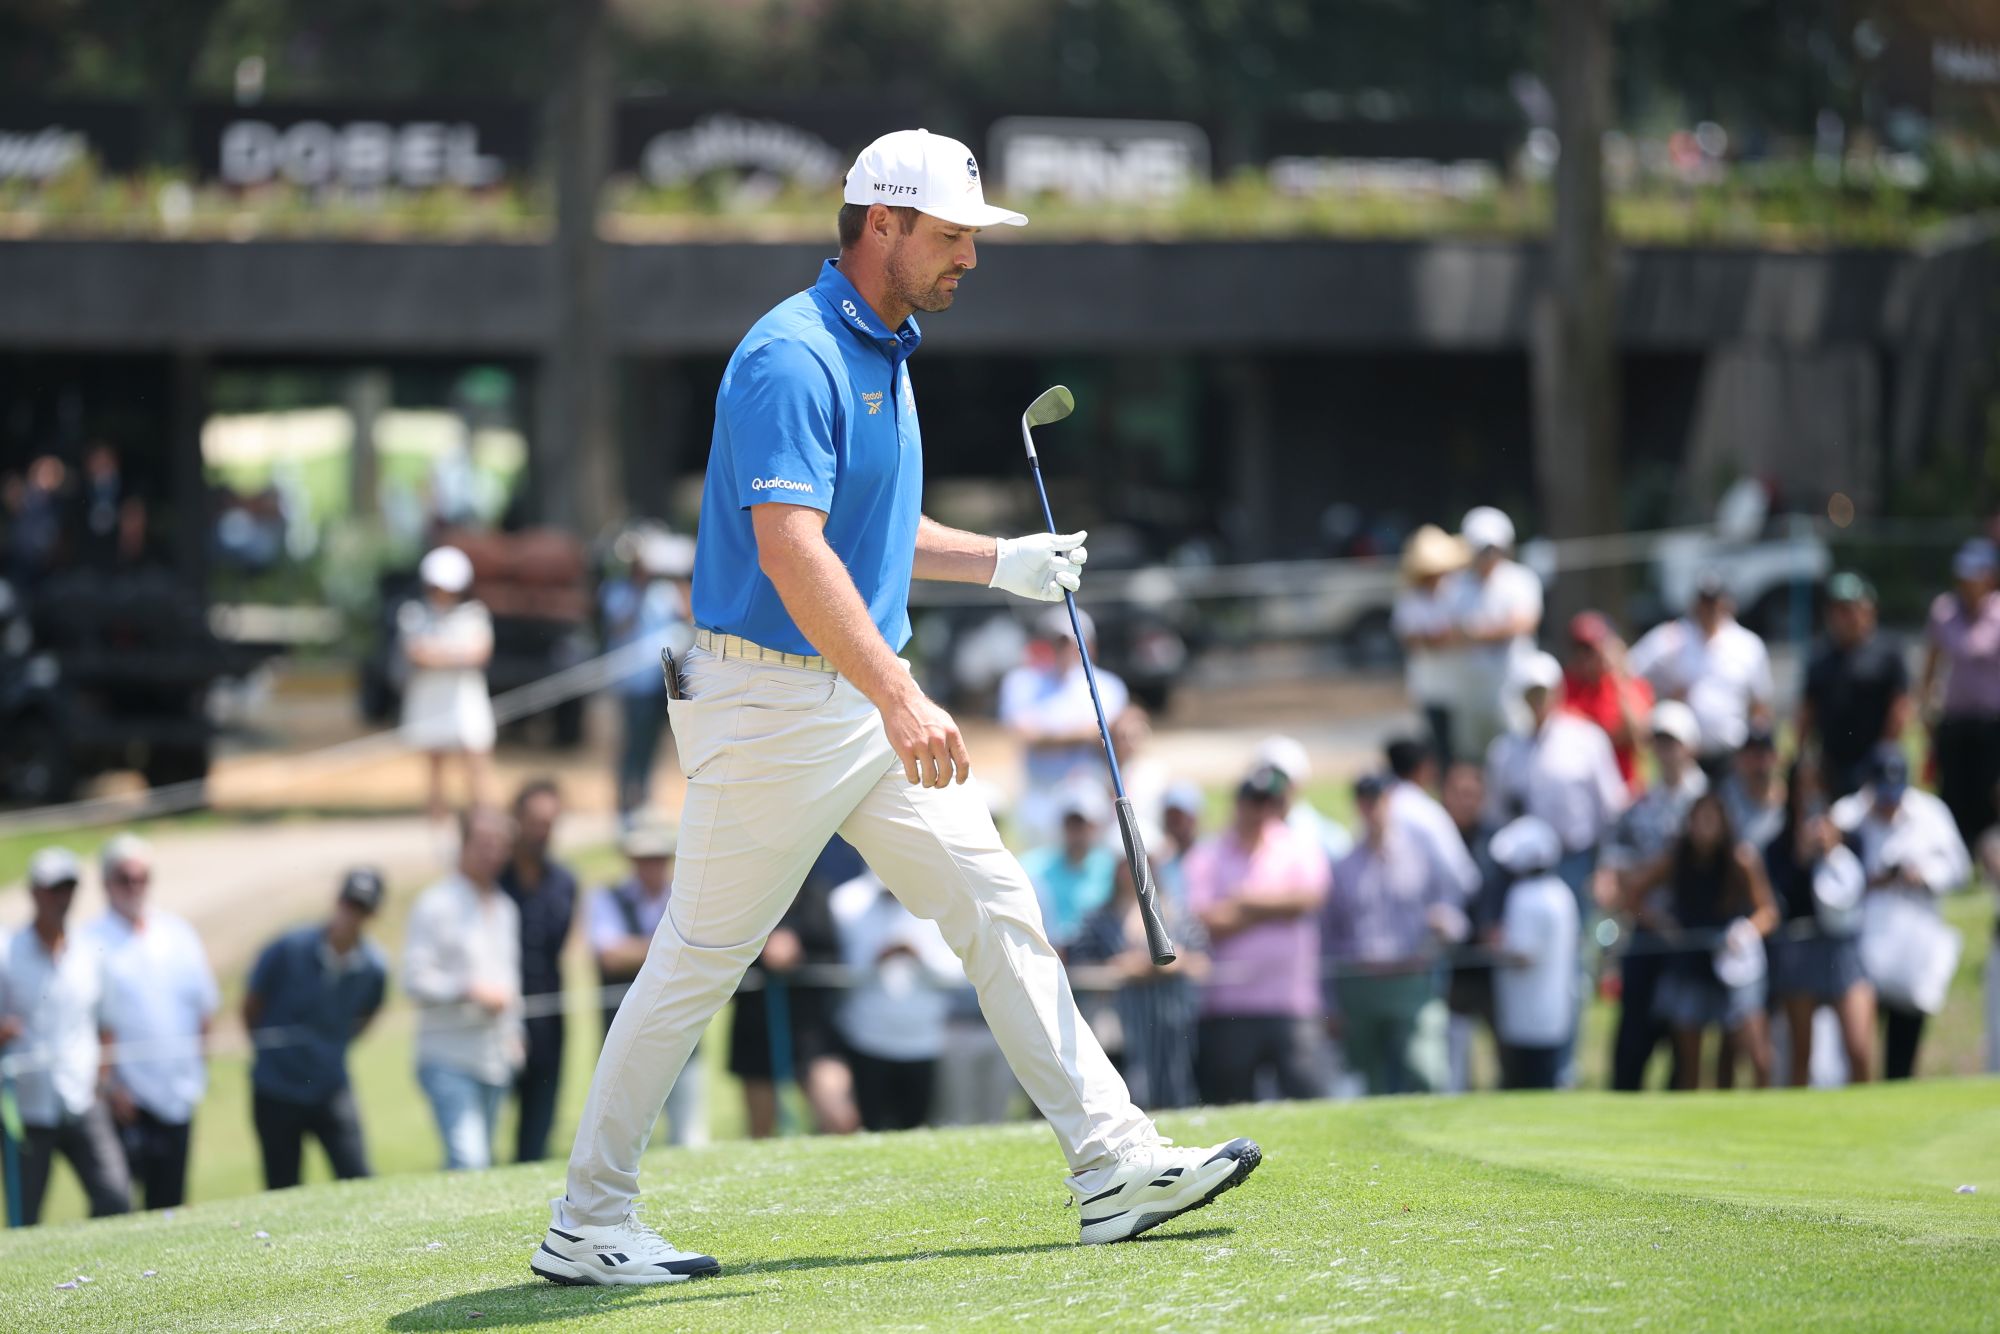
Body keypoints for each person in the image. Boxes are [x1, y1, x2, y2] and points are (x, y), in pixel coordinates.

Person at [536, 129, 1259, 1286]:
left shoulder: (884, 349)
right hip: (771, 703)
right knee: (697, 961)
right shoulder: (792, 354)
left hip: (844, 700)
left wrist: (999, 561)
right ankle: (588, 1216)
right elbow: (790, 550)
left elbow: (871, 534)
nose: (970, 256)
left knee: (993, 898)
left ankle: (1112, 1162)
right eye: (952, 235)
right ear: (881, 223)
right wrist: (902, 690)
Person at [1185, 764, 1333, 1104]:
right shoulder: (1208, 854)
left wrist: (1245, 899)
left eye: (1271, 802)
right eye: (1254, 800)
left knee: (1312, 1103)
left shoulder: (1298, 846)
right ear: (1238, 802)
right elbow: (1207, 920)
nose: (1262, 810)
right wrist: (1277, 907)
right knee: (1229, 1107)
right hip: (1228, 1005)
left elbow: (1310, 898)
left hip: (1292, 1003)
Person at [87, 834, 218, 1211]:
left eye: (142, 877)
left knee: (170, 1203)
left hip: (176, 1092)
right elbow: (90, 1026)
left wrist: (197, 1071)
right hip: (124, 1099)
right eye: (125, 878)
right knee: (116, 1204)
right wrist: (109, 1086)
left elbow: (203, 1007)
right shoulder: (90, 940)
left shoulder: (177, 934)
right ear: (107, 883)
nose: (134, 886)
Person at [0, 848, 130, 1222]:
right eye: (54, 889)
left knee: (115, 1198)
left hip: (82, 1100)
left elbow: (106, 1025)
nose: (62, 898)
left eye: (68, 888)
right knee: (24, 1215)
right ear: (35, 893)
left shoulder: (90, 951)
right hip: (26, 1108)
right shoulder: (8, 954)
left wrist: (102, 1084)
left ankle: (104, 1274)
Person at [1620, 792, 1780, 1090]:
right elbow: (1633, 894)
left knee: (1754, 1055)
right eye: (1699, 819)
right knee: (1690, 1064)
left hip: (1733, 964)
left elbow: (1768, 911)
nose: (1705, 826)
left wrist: (1746, 931)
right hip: (1690, 964)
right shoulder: (1677, 858)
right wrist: (1660, 923)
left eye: (1712, 819)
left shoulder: (1741, 859)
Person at [243, 869, 389, 1190]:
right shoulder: (288, 948)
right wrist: (273, 1053)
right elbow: (252, 1005)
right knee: (283, 1187)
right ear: (337, 901)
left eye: (362, 908)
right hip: (275, 1088)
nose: (352, 915)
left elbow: (367, 1014)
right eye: (349, 904)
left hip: (330, 1086)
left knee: (357, 1176)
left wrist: (331, 1047)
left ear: (373, 914)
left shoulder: (374, 967)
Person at [1832, 746, 1971, 1080]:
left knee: (1902, 1054)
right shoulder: (1846, 815)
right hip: (1861, 949)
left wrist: (1922, 875)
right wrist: (1871, 880)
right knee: (1857, 1051)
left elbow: (1960, 870)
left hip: (1912, 948)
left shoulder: (1931, 814)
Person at [1322, 773, 1465, 1096]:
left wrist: (1447, 924)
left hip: (1410, 978)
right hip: (1361, 982)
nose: (1373, 809)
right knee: (1368, 1078)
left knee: (1425, 1070)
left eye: (1380, 800)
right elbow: (1329, 936)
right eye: (1366, 801)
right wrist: (1330, 1001)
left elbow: (1453, 900)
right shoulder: (1345, 866)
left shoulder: (1420, 855)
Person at [1595, 701, 1707, 1092]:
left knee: (1686, 1046)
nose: (1665, 750)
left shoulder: (1710, 802)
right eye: (1658, 741)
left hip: (1692, 938)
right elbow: (1615, 870)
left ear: (1690, 746)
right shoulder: (1638, 805)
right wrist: (1640, 900)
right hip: (1646, 932)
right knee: (1632, 1042)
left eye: (1672, 741)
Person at [405, 807, 523, 1171]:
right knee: (468, 1160)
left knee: (479, 1166)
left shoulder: (505, 908)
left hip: (494, 1058)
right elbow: (413, 979)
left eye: (500, 845)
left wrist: (516, 1035)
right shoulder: (435, 903)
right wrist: (467, 990)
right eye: (483, 843)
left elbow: (510, 979)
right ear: (463, 844)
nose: (492, 853)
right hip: (446, 1057)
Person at [730, 838, 860, 1139]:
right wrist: (763, 953)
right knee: (762, 1130)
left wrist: (797, 953)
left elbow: (833, 954)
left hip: (811, 1026)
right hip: (756, 1023)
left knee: (840, 1119)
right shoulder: (742, 897)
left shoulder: (817, 892)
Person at [588, 818, 707, 1148]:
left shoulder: (686, 897)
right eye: (643, 858)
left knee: (689, 1137)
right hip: (622, 1037)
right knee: (620, 1140)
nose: (650, 865)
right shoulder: (607, 897)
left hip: (682, 1033)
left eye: (657, 857)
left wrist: (639, 949)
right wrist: (671, 951)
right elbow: (610, 955)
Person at [1484, 652, 1628, 905]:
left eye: (1543, 692)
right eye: (1531, 693)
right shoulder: (1505, 751)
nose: (1538, 700)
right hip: (1523, 868)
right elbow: (1497, 816)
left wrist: (1606, 869)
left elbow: (1611, 810)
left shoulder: (1587, 739)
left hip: (1576, 861)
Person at [1765, 756, 1873, 1088]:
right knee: (1801, 1056)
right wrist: (1801, 859)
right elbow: (1782, 901)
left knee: (1859, 1049)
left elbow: (1856, 887)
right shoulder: (1778, 846)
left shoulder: (1850, 839)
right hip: (1801, 947)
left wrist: (1833, 852)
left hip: (1842, 946)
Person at [1069, 857, 1208, 1110]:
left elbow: (1202, 962)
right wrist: (1118, 968)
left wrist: (1175, 963)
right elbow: (1081, 968)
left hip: (1172, 1014)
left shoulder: (1178, 914)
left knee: (1176, 1078)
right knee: (1130, 1083)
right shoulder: (1099, 919)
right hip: (1121, 1016)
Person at [829, 868, 962, 1131]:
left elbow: (956, 975)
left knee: (915, 1127)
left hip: (924, 1040)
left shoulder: (940, 898)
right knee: (870, 1127)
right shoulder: (845, 901)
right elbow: (834, 972)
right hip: (865, 1037)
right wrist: (875, 960)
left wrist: (919, 956)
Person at [998, 607, 1129, 845]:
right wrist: (1086, 733)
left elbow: (1116, 740)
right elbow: (1026, 734)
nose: (1066, 649)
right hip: (1040, 791)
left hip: (1090, 792)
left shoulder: (1109, 686)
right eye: (1059, 642)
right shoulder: (1022, 682)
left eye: (1073, 642)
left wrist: (1052, 734)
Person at [497, 779, 578, 1164]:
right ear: (516, 820)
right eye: (534, 821)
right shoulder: (492, 880)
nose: (542, 831)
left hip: (549, 1019)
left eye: (550, 822)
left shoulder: (565, 884)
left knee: (537, 1136)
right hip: (497, 1017)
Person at [1627, 573, 1775, 769]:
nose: (1710, 609)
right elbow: (1630, 669)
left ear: (1727, 603)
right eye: (1705, 602)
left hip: (1732, 753)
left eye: (1714, 602)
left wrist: (1756, 748)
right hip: (1685, 755)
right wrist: (1655, 708)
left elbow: (1761, 704)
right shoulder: (1673, 637)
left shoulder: (1748, 645)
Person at [601, 530, 696, 823]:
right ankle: (624, 801)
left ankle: (643, 796)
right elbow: (620, 625)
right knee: (631, 743)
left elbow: (688, 615)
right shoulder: (616, 591)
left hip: (660, 681)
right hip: (633, 682)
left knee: (653, 743)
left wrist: (677, 578)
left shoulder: (664, 591)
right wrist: (640, 592)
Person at [399, 544, 497, 826]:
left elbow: (480, 652)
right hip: (431, 696)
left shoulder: (473, 613)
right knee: (435, 765)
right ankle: (437, 822)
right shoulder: (415, 613)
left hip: (464, 697)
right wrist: (457, 654)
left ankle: (483, 820)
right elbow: (418, 653)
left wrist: (440, 653)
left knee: (476, 760)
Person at [1798, 572, 1910, 799]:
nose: (1844, 617)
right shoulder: (1820, 656)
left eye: (1850, 609)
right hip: (1831, 762)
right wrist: (1804, 758)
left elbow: (1900, 707)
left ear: (1867, 610)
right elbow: (1806, 710)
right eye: (1838, 610)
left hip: (1874, 759)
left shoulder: (1888, 652)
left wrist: (1885, 753)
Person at [1918, 539, 2000, 847]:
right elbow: (1931, 665)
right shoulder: (1945, 611)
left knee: (1990, 792)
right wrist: (1924, 708)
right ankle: (1957, 852)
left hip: (1992, 722)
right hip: (1955, 720)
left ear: (1989, 577)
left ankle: (1991, 855)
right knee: (1953, 790)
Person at [1487, 817, 1580, 1091]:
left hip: (1525, 1018)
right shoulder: (1562, 893)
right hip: (1555, 1012)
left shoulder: (1523, 896)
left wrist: (1493, 948)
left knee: (1523, 1085)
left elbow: (1523, 955)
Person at [1445, 506, 1544, 761]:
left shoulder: (1520, 579)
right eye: (1483, 549)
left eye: (1493, 548)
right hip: (1471, 692)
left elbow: (1524, 623)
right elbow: (1452, 632)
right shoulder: (1456, 585)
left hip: (1511, 689)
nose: (1489, 556)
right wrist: (1494, 630)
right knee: (1473, 760)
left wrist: (1478, 632)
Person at [1393, 524, 1471, 766]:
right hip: (1430, 687)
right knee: (1439, 750)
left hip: (1461, 684)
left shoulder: (1457, 592)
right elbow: (1409, 637)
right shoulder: (1410, 600)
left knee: (1465, 749)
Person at [1559, 611, 1655, 794]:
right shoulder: (1564, 686)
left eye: (1590, 650)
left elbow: (1640, 737)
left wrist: (1618, 675)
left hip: (1624, 787)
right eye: (1578, 650)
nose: (1584, 658)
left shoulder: (1629, 685)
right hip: (1581, 790)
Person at [1383, 737, 1482, 906]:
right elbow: (1461, 875)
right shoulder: (1426, 812)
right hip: (1429, 916)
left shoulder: (1380, 808)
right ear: (1422, 769)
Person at [1020, 781, 1119, 951]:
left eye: (1082, 824)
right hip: (1050, 955)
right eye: (1071, 823)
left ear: (1096, 825)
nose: (1077, 831)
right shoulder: (1033, 866)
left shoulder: (1112, 867)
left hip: (1098, 957)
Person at [1254, 735, 1355, 868]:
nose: (1270, 789)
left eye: (1279, 778)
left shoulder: (1329, 839)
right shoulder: (1241, 838)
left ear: (1297, 784)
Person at [1718, 726, 1786, 854]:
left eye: (1762, 755)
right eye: (1750, 755)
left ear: (1776, 758)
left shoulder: (1791, 799)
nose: (1757, 764)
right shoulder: (1725, 797)